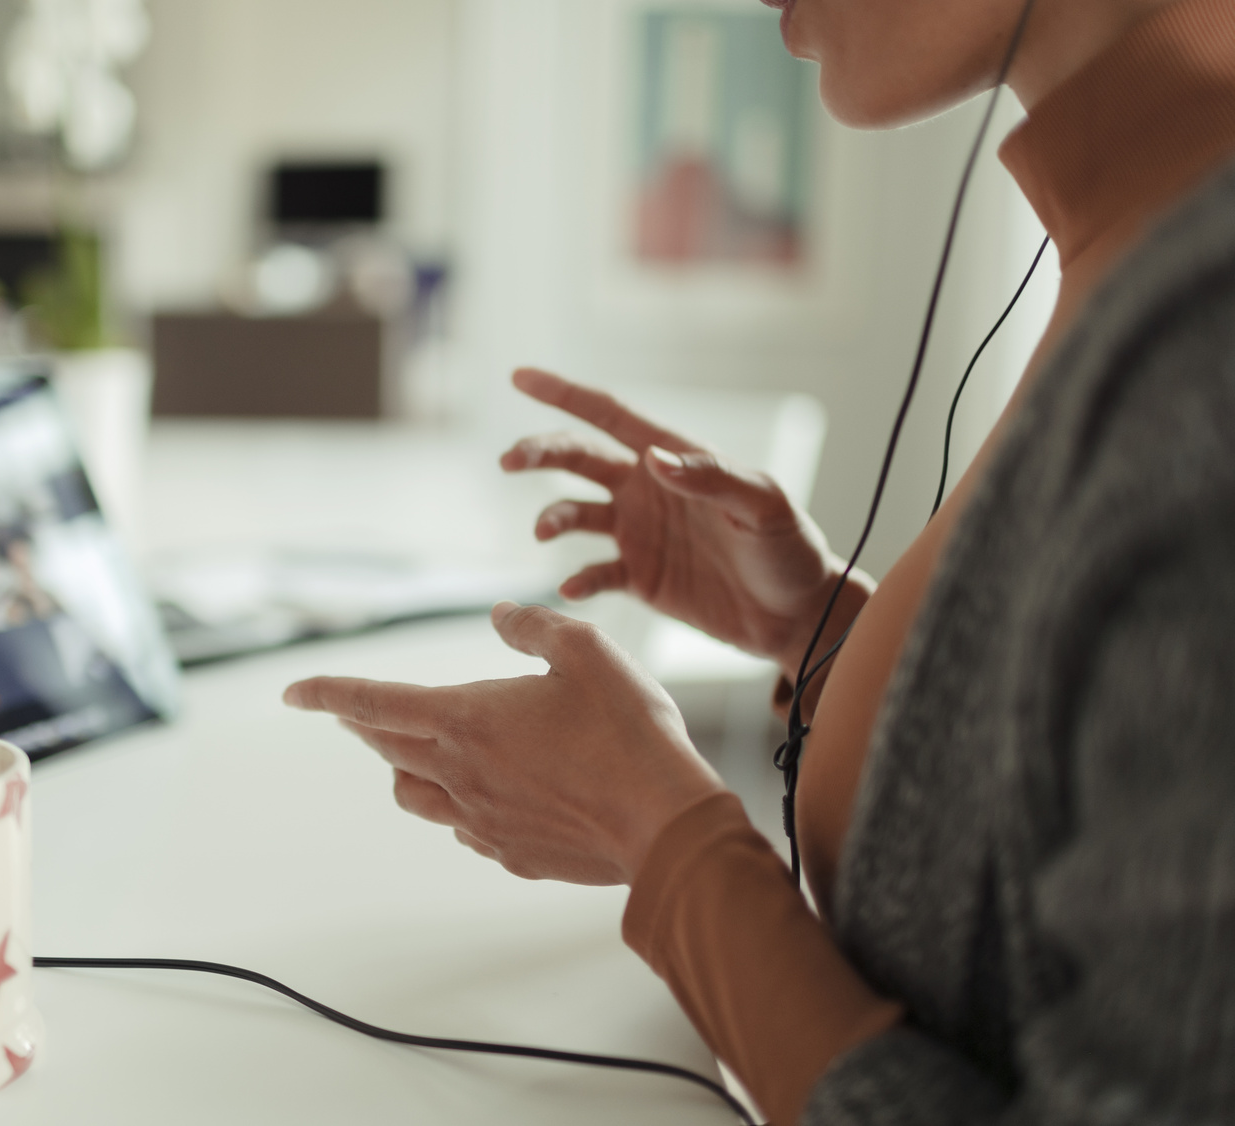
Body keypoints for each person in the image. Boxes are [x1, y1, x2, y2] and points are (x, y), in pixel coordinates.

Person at [284, 0, 1235, 1122]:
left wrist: (664, 842)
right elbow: (1076, 798)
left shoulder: (1203, 336)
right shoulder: (1148, 226)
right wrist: (827, 631)